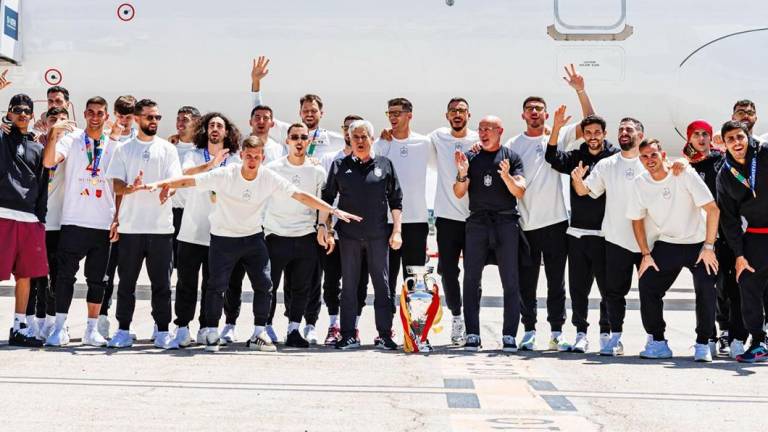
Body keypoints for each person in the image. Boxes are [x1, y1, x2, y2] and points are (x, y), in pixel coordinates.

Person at [139, 136, 360, 352]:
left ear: (262, 157)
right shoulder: (227, 174)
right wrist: (161, 183)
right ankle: (212, 331)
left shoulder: (268, 177)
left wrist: (332, 210)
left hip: (253, 238)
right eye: (249, 156)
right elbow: (190, 181)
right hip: (223, 238)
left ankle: (259, 333)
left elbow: (301, 195)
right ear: (242, 155)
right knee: (217, 286)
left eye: (257, 156)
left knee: (264, 284)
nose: (252, 160)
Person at [505, 64, 595, 351]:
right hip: (525, 224)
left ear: (546, 114)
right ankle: (529, 330)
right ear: (523, 114)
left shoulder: (558, 136)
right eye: (529, 108)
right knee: (526, 284)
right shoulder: (513, 143)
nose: (534, 112)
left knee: (556, 284)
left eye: (539, 108)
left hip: (556, 223)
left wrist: (580, 89)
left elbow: (591, 122)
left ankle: (557, 331)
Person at [627, 139, 719, 362]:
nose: (650, 160)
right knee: (648, 284)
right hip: (667, 244)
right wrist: (646, 254)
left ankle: (703, 343)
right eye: (645, 157)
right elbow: (637, 220)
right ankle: (658, 342)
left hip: (698, 245)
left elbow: (712, 209)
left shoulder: (683, 173)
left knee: (706, 289)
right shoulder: (640, 183)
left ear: (663, 154)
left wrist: (709, 247)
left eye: (653, 155)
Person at [41, 97, 119, 347]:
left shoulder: (113, 145)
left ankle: (92, 329)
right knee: (64, 277)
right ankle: (60, 327)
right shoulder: (71, 139)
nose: (95, 117)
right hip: (73, 220)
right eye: (91, 112)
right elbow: (49, 162)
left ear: (106, 117)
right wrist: (53, 134)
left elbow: (118, 186)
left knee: (98, 280)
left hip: (102, 222)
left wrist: (117, 218)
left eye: (100, 113)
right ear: (85, 114)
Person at [105, 99, 181, 349]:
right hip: (131, 229)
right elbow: (115, 184)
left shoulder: (167, 149)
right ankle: (123, 330)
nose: (154, 121)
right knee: (126, 284)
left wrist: (166, 191)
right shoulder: (124, 149)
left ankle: (161, 331)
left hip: (161, 229)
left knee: (162, 285)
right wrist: (130, 188)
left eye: (157, 117)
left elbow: (174, 180)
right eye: (149, 117)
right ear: (137, 118)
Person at [571, 117, 650, 356]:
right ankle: (615, 338)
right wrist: (577, 180)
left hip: (650, 240)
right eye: (621, 129)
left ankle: (654, 339)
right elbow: (586, 190)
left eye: (630, 129)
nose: (624, 132)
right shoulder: (607, 164)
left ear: (640, 134)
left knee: (650, 293)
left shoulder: (650, 162)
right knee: (614, 293)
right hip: (616, 239)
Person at [322, 120, 403, 350]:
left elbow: (396, 200)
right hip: (348, 237)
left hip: (378, 236)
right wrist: (326, 228)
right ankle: (348, 334)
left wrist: (397, 231)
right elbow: (327, 200)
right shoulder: (339, 165)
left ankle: (385, 334)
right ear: (349, 139)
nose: (359, 141)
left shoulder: (385, 165)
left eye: (363, 136)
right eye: (354, 137)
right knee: (349, 285)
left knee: (383, 285)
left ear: (371, 138)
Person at [544, 107, 617, 352]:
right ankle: (581, 333)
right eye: (588, 132)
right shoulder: (576, 157)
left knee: (608, 290)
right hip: (577, 234)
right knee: (578, 289)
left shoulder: (614, 158)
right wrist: (555, 128)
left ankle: (607, 334)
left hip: (605, 234)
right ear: (583, 135)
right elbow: (552, 156)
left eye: (598, 132)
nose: (593, 136)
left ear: (605, 133)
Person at [454, 116, 526, 352]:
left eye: (488, 129)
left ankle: (509, 336)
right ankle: (472, 333)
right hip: (477, 224)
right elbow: (458, 192)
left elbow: (520, 190)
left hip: (506, 223)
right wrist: (462, 173)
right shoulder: (471, 156)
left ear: (500, 131)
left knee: (511, 280)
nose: (483, 133)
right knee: (471, 279)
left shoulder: (511, 157)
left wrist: (506, 176)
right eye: (481, 129)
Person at [172, 112, 241, 347]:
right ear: (205, 130)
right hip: (191, 231)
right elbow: (186, 174)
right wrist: (210, 165)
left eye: (219, 126)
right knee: (186, 283)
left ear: (226, 132)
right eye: (211, 125)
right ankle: (182, 327)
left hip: (220, 232)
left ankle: (207, 326)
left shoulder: (234, 160)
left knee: (213, 286)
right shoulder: (192, 155)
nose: (215, 129)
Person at [373, 97, 433, 345]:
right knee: (386, 281)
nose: (393, 117)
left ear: (410, 114)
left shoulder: (425, 143)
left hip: (417, 223)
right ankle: (385, 334)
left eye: (398, 112)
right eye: (390, 112)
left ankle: (415, 333)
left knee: (415, 282)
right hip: (385, 222)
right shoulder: (380, 145)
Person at [684, 120, 746, 358]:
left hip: (727, 236)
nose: (701, 139)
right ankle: (708, 336)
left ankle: (736, 337)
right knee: (707, 290)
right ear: (689, 139)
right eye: (696, 135)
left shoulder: (723, 161)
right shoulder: (685, 167)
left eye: (705, 134)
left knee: (733, 288)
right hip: (702, 239)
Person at [263, 123, 327, 348]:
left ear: (308, 142)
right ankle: (264, 327)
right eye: (294, 137)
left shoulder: (317, 171)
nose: (299, 141)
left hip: (305, 236)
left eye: (303, 137)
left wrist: (322, 228)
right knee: (269, 285)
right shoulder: (272, 168)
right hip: (276, 234)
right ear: (287, 141)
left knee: (302, 287)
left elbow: (322, 205)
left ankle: (294, 329)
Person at [427, 97, 478, 346]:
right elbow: (411, 141)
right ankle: (457, 316)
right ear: (447, 116)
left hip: (474, 218)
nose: (457, 114)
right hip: (447, 218)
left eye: (462, 111)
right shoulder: (438, 136)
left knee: (473, 273)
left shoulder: (478, 139)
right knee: (448, 271)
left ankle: (472, 322)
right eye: (453, 111)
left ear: (469, 115)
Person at [716, 121, 768, 363]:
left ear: (748, 137)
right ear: (724, 144)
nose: (737, 143)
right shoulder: (725, 174)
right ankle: (758, 341)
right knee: (747, 283)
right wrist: (739, 254)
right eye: (731, 139)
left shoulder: (765, 154)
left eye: (740, 137)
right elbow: (729, 220)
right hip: (756, 235)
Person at [316, 115, 370, 345]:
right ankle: (333, 325)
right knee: (331, 281)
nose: (354, 134)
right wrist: (325, 227)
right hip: (334, 232)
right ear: (345, 133)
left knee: (359, 283)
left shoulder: (373, 160)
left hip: (361, 234)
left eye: (359, 131)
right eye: (348, 129)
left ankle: (354, 327)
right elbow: (325, 197)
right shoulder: (331, 159)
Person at [0, 93, 48, 347]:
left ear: (31, 115)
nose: (22, 114)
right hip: (2, 215)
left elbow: (42, 186)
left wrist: (40, 219)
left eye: (26, 111)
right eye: (16, 110)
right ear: (8, 113)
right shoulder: (1, 138)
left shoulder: (39, 148)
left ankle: (19, 326)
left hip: (29, 219)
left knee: (25, 275)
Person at [27, 107, 72, 341]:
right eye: (53, 120)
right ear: (44, 123)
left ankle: (57, 322)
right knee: (36, 276)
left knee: (59, 275)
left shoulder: (75, 146)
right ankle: (37, 321)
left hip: (64, 222)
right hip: (39, 221)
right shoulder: (35, 146)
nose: (58, 124)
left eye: (62, 120)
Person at [97, 95, 137, 340]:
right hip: (105, 215)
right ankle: (101, 318)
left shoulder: (138, 142)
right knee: (105, 273)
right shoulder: (103, 140)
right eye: (120, 116)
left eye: (128, 116)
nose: (124, 121)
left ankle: (126, 324)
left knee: (128, 275)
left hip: (131, 218)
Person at [250, 56, 344, 158]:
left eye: (313, 111)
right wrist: (256, 81)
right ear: (300, 113)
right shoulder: (287, 131)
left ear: (321, 113)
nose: (309, 114)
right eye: (305, 110)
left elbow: (358, 141)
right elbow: (260, 114)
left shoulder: (333, 139)